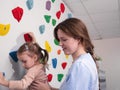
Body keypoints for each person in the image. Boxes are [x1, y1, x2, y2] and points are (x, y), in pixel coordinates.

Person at [27, 17, 99, 90]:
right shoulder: (86, 60)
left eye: (64, 40)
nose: (60, 44)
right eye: (59, 40)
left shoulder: (80, 65)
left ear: (78, 39)